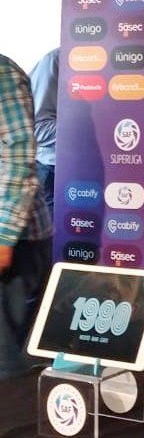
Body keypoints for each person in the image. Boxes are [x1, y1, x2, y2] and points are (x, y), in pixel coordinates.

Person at [0, 54, 52, 380]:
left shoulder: (3, 73)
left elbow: (18, 157)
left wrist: (3, 237)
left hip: (15, 243)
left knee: (5, 363)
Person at [29, 48, 59, 218]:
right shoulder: (55, 61)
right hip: (50, 170)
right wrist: (80, 135)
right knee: (55, 241)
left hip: (87, 167)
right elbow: (38, 127)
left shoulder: (108, 66)